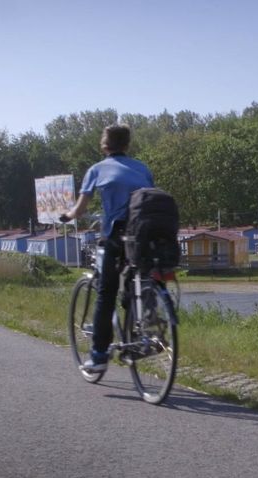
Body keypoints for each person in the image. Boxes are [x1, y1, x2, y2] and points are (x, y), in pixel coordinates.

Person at [60, 124, 154, 371]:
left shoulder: (96, 170)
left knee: (105, 292)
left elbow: (80, 209)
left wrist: (68, 216)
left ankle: (100, 355)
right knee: (140, 280)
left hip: (116, 233)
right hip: (145, 233)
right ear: (127, 145)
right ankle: (139, 328)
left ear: (104, 145)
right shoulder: (143, 168)